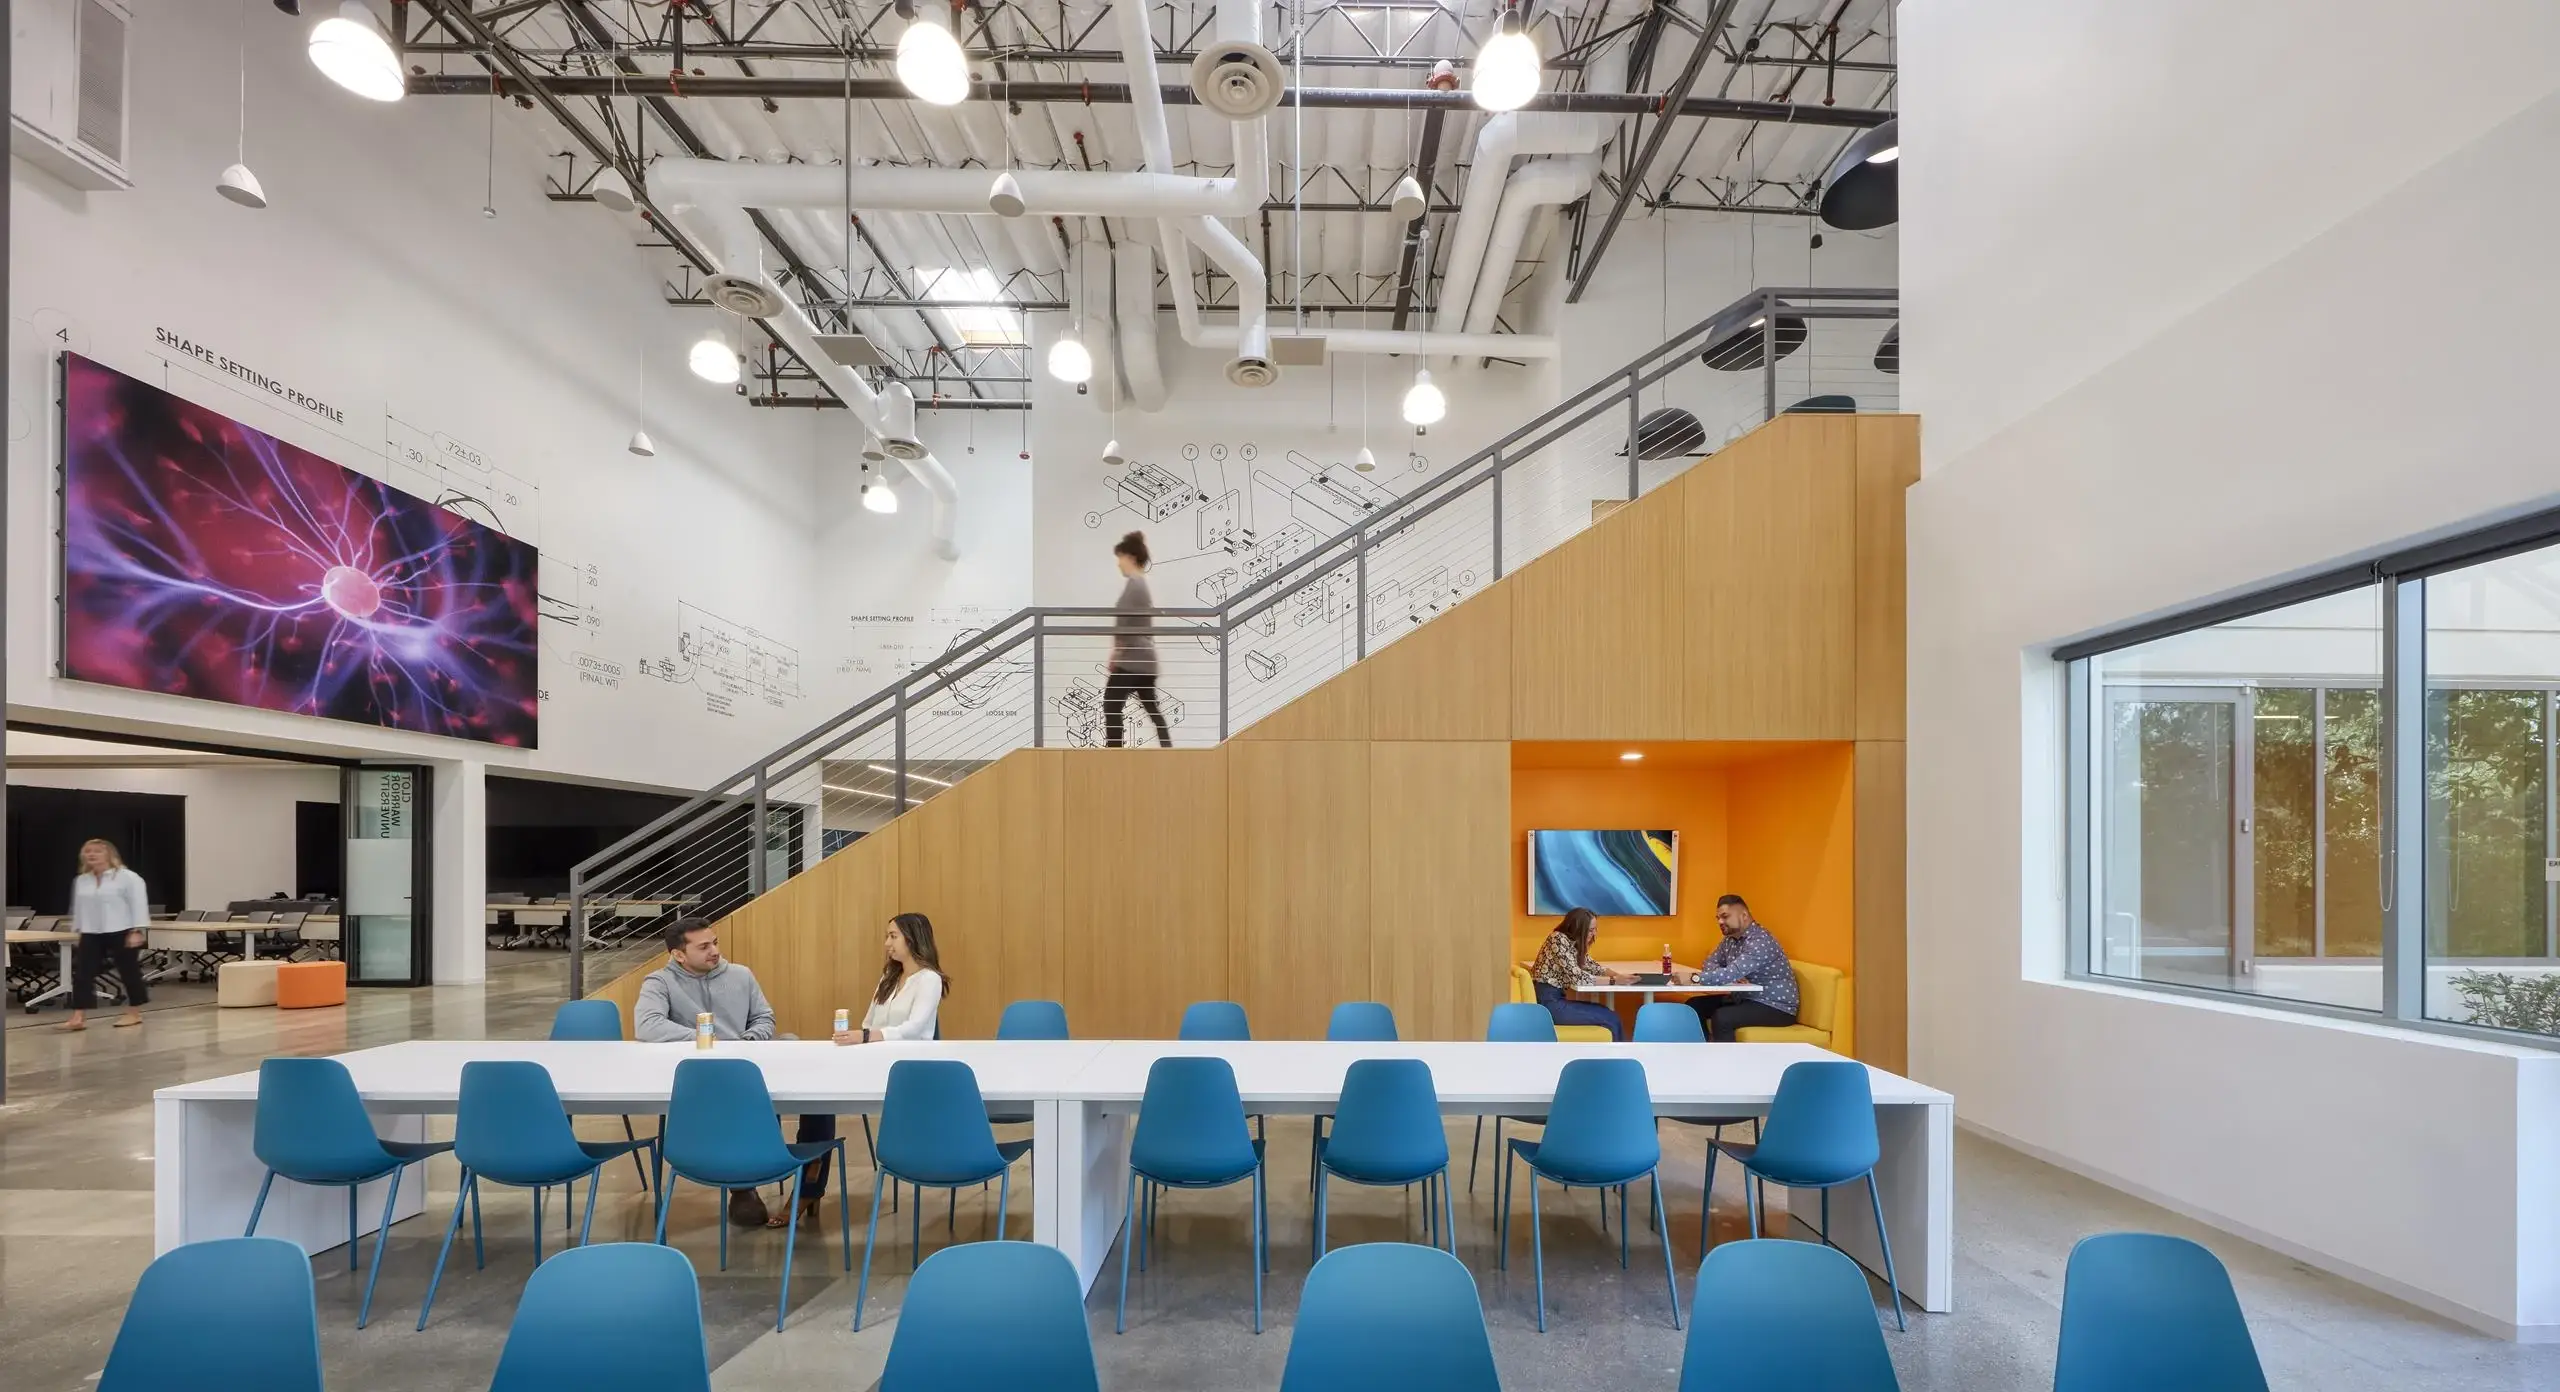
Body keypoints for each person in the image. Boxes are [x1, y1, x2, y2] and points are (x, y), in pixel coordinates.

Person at [634, 917, 822, 1228]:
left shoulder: (740, 975)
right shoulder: (659, 982)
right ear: (678, 954)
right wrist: (708, 1041)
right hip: (700, 1077)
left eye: (715, 943)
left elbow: (764, 1017)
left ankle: (776, 1173)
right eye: (704, 946)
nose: (715, 951)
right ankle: (744, 1186)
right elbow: (647, 1025)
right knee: (737, 1095)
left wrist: (748, 1042)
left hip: (749, 1069)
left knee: (794, 1076)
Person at [1675, 894, 1800, 1041]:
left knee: (1722, 1018)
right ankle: (1703, 1050)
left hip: (1775, 1006)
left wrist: (1694, 978)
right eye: (1718, 918)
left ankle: (1727, 1063)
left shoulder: (1760, 941)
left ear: (1744, 915)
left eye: (1725, 916)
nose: (1720, 921)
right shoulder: (1730, 940)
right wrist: (1733, 973)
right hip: (1745, 998)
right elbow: (1709, 963)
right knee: (1693, 1006)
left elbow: (1729, 973)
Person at [61, 838, 150, 1031]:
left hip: (122, 930)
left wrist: (137, 930)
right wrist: (78, 928)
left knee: (128, 971)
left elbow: (138, 903)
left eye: (97, 851)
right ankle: (78, 1016)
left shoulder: (127, 877)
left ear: (109, 854)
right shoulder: (82, 880)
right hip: (91, 931)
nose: (91, 854)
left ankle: (134, 1012)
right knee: (82, 973)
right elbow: (78, 907)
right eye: (87, 851)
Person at [831, 912, 947, 1045]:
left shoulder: (929, 979)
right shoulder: (888, 977)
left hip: (909, 1058)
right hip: (876, 1055)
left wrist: (868, 1036)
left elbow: (914, 1028)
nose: (887, 943)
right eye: (887, 937)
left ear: (912, 939)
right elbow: (868, 1023)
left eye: (893, 936)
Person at [1104, 530, 1173, 748]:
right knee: (1151, 707)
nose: (1119, 564)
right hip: (1145, 659)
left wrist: (1116, 653)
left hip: (1132, 659)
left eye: (1120, 558)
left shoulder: (1135, 584)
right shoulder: (1141, 584)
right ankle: (1169, 750)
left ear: (1130, 557)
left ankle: (1114, 754)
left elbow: (1124, 622)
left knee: (1111, 703)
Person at [1528, 906, 1628, 1041]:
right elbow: (1578, 978)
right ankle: (1617, 1058)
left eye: (1595, 929)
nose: (1594, 934)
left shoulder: (1572, 942)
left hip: (1556, 1000)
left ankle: (1617, 1057)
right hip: (1548, 1005)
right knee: (1611, 1018)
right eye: (1591, 930)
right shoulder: (1557, 939)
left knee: (1608, 1013)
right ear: (1578, 928)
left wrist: (1620, 976)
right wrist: (1614, 981)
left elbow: (1592, 966)